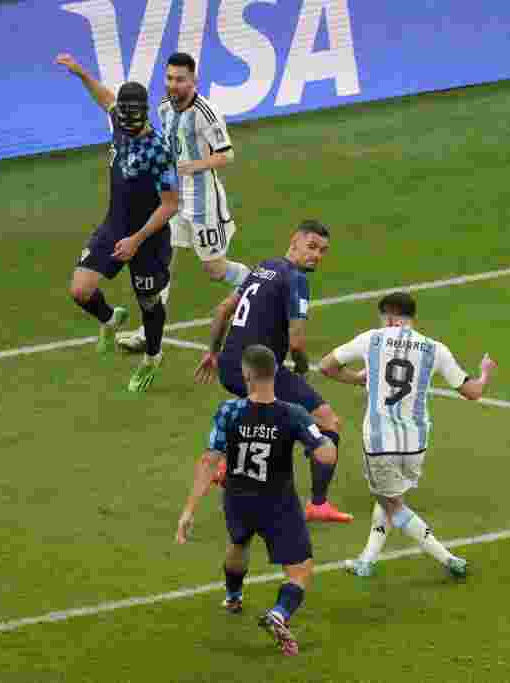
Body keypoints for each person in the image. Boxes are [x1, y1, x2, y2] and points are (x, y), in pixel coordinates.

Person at [318, 292, 496, 577]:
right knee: (390, 497)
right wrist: (485, 374)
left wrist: (357, 379)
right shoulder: (434, 348)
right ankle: (367, 560)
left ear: (388, 316)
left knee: (392, 504)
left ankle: (448, 559)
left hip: (379, 441)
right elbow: (473, 392)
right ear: (412, 317)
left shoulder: (372, 339)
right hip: (416, 442)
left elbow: (326, 366)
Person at [176, 345, 337, 657]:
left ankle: (233, 596)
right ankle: (279, 613)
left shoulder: (228, 411)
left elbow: (210, 460)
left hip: (237, 496)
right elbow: (325, 457)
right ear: (275, 372)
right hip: (278, 502)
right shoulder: (293, 414)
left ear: (246, 374)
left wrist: (189, 510)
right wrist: (326, 439)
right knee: (300, 568)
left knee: (238, 544)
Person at [195, 220, 353, 523]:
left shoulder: (265, 266)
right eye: (312, 247)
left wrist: (212, 352)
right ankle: (318, 504)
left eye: (323, 251)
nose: (317, 255)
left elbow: (222, 310)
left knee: (273, 415)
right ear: (294, 241)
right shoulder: (296, 280)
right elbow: (296, 343)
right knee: (326, 420)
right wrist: (304, 368)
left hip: (230, 366)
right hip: (259, 369)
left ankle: (230, 464)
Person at [56, 53, 179, 392]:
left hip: (148, 240)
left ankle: (153, 358)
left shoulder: (159, 150)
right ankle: (111, 319)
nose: (124, 121)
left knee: (150, 304)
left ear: (143, 113)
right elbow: (105, 98)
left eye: (130, 116)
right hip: (114, 227)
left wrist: (137, 240)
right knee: (81, 290)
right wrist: (81, 72)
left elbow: (170, 205)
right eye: (121, 115)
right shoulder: (119, 121)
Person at [116, 52, 250, 352]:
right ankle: (149, 332)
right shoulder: (163, 108)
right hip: (173, 200)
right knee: (161, 263)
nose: (173, 85)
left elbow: (226, 154)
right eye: (169, 78)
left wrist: (191, 166)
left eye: (180, 79)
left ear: (193, 81)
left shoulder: (206, 112)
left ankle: (259, 285)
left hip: (203, 203)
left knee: (215, 270)